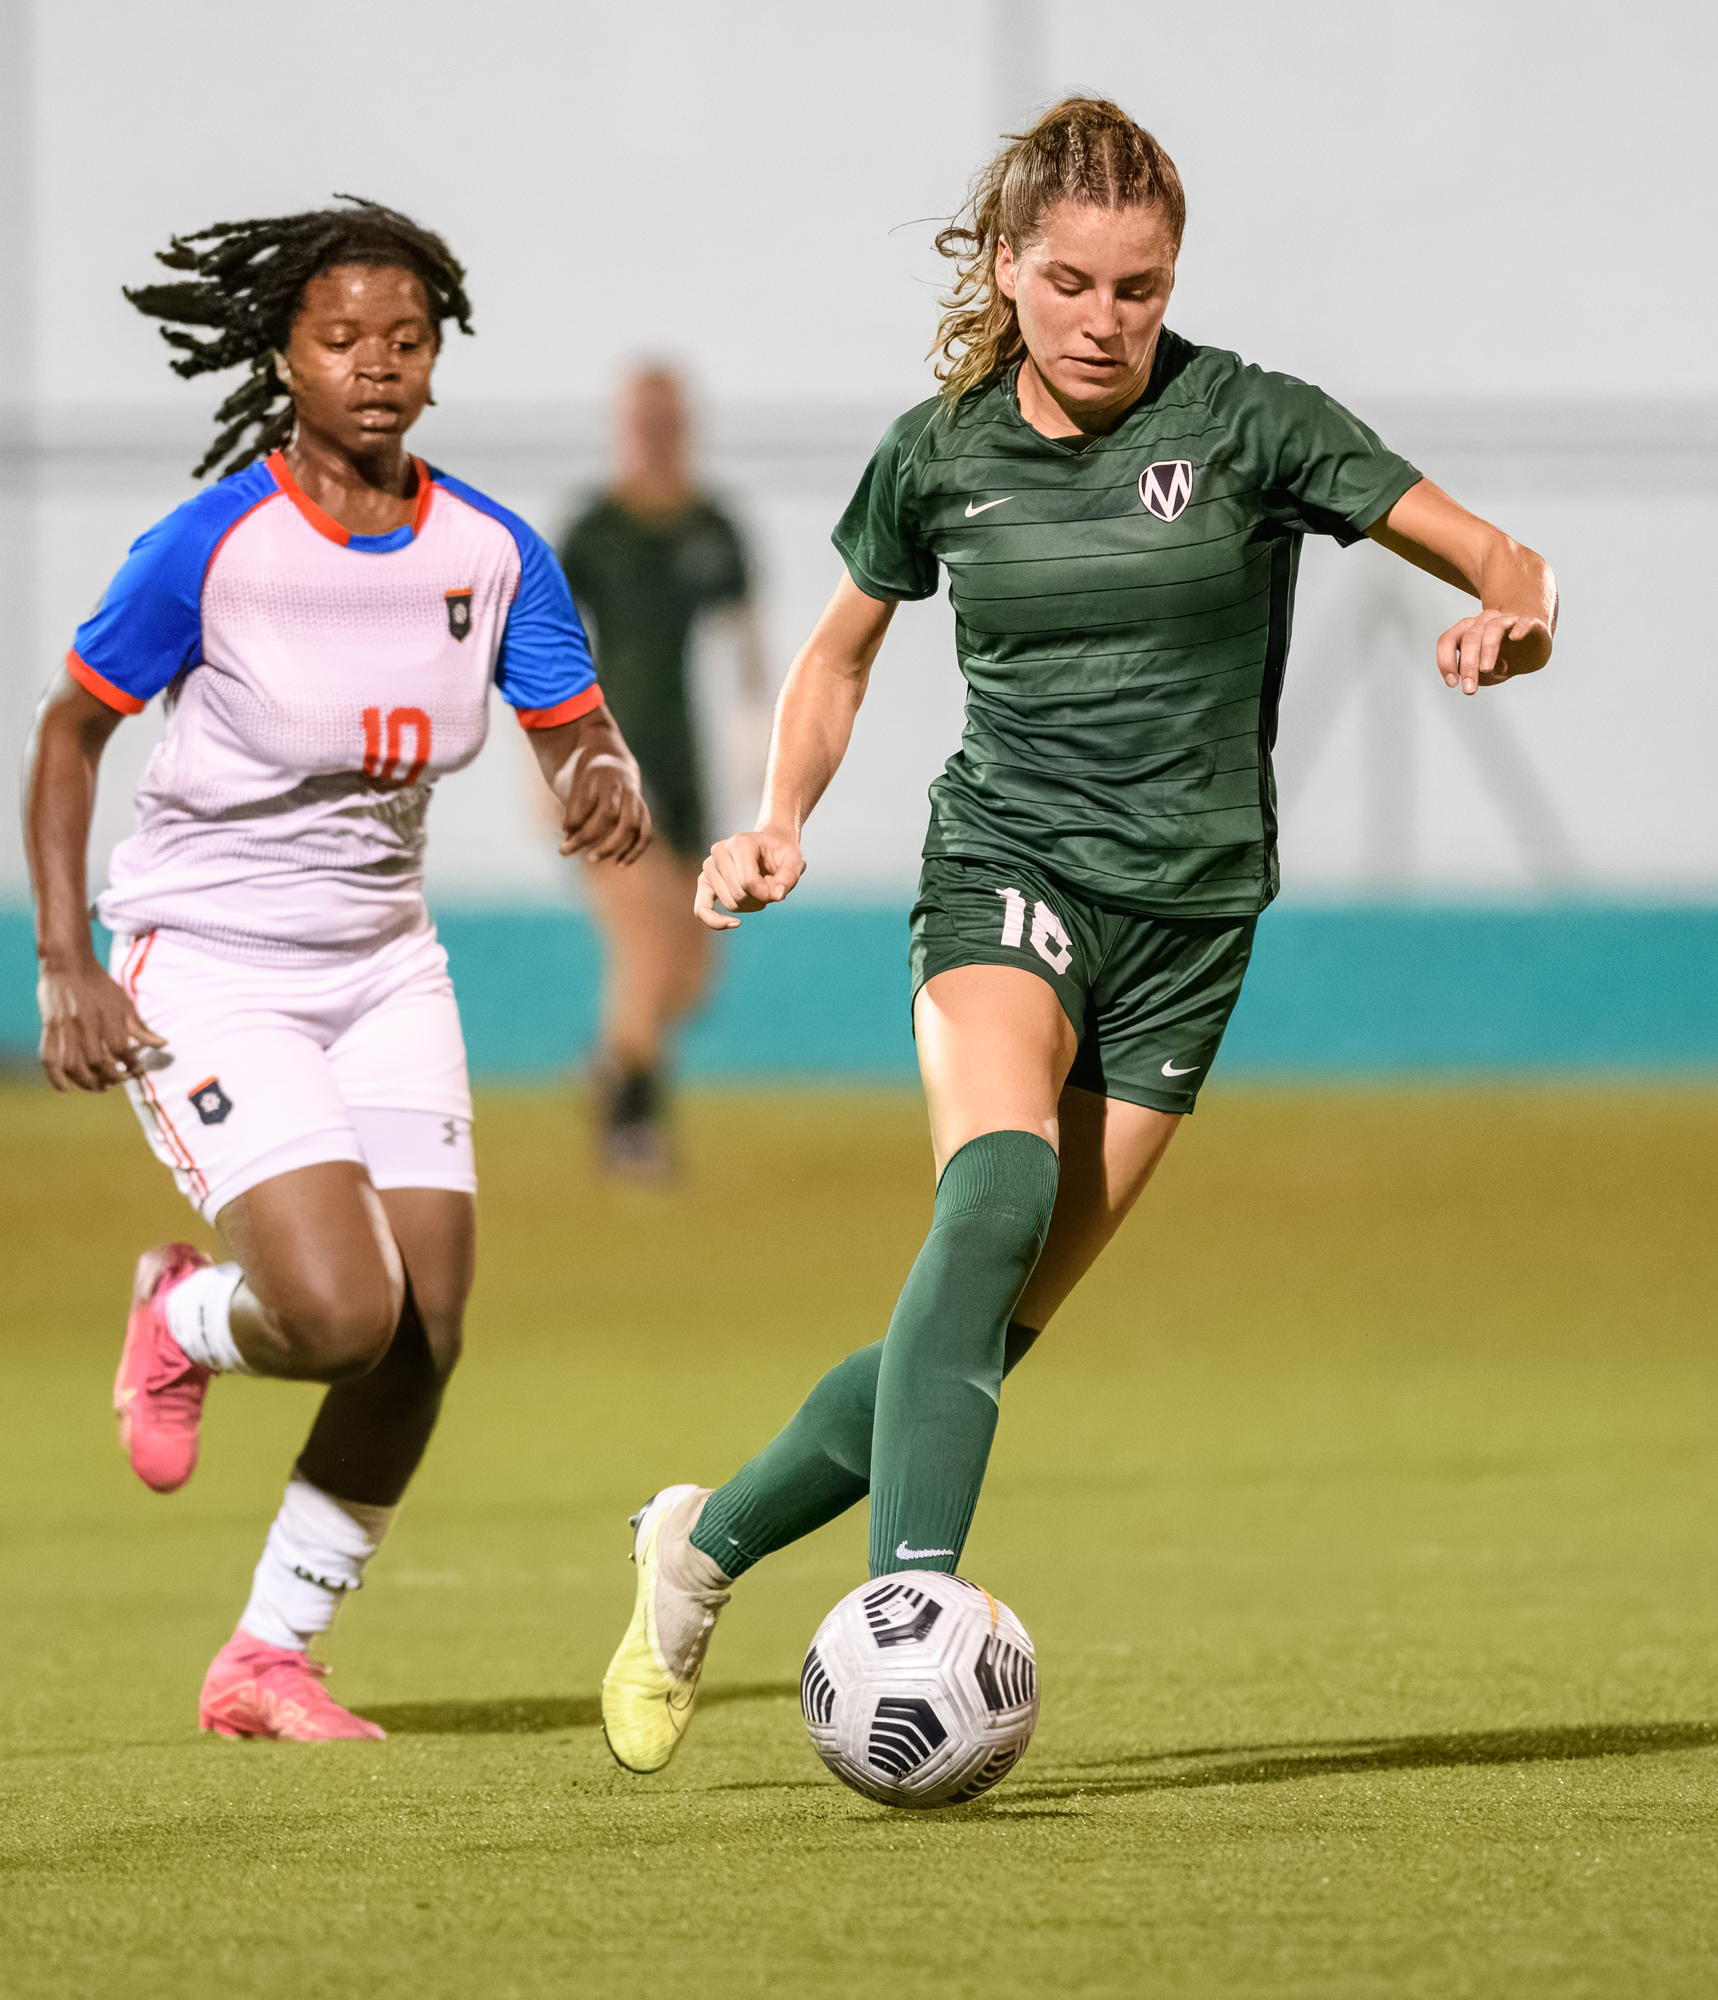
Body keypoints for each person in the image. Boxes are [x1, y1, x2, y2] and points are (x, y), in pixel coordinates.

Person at [598, 98, 1558, 1775]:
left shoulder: (1250, 422)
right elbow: (834, 657)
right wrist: (778, 817)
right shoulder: (937, 454)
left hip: (1190, 928)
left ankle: (698, 1548)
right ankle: (911, 1609)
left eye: (1138, 286)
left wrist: (1511, 617)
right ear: (1004, 267)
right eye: (1068, 283)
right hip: (1005, 867)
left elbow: (1494, 555)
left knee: (982, 1323)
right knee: (995, 1198)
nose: (1104, 321)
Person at [24, 198, 649, 1742]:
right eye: (341, 339)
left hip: (382, 970)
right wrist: (64, 960)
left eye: (406, 340)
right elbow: (71, 734)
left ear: (436, 362)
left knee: (424, 1327)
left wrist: (604, 771)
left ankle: (268, 1659)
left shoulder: (491, 551)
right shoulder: (211, 546)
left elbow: (574, 725)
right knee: (337, 1312)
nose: (376, 365)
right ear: (284, 359)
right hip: (206, 964)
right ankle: (183, 1319)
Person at [555, 369, 765, 1177]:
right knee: (642, 943)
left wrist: (759, 741)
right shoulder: (593, 533)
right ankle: (634, 1127)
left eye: (667, 418)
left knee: (689, 974)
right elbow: (545, 651)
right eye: (642, 418)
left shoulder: (712, 528)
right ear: (623, 426)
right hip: (609, 766)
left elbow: (743, 642)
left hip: (686, 771)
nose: (655, 432)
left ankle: (613, 1058)